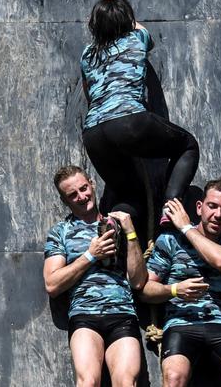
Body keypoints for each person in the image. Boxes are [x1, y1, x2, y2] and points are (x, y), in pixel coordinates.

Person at [81, 0, 199, 229]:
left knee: (130, 196)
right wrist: (126, 18)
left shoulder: (87, 54)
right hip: (128, 121)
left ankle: (115, 224)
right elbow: (141, 28)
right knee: (187, 146)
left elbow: (89, 96)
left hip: (93, 134)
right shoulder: (136, 39)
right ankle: (170, 207)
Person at [141, 179, 221, 387]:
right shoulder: (170, 240)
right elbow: (145, 290)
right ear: (199, 207)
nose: (217, 214)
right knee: (173, 377)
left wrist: (186, 228)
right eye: (212, 206)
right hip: (181, 325)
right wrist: (174, 290)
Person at [44, 166, 146, 387]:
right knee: (88, 381)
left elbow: (138, 281)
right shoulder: (60, 231)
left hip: (122, 313)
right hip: (84, 316)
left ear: (92, 184)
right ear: (65, 201)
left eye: (83, 188)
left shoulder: (117, 223)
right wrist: (91, 255)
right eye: (73, 195)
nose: (82, 197)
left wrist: (130, 232)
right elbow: (52, 284)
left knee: (126, 382)